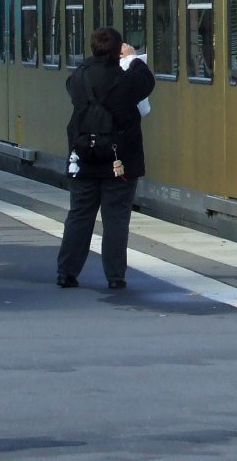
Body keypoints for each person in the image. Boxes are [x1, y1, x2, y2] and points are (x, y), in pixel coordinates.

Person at [56, 26, 155, 290]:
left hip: (84, 157)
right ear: (117, 50)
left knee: (79, 215)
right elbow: (147, 82)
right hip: (119, 160)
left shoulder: (79, 79)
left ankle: (66, 272)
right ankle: (115, 276)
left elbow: (74, 81)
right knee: (116, 219)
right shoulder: (126, 80)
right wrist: (133, 58)